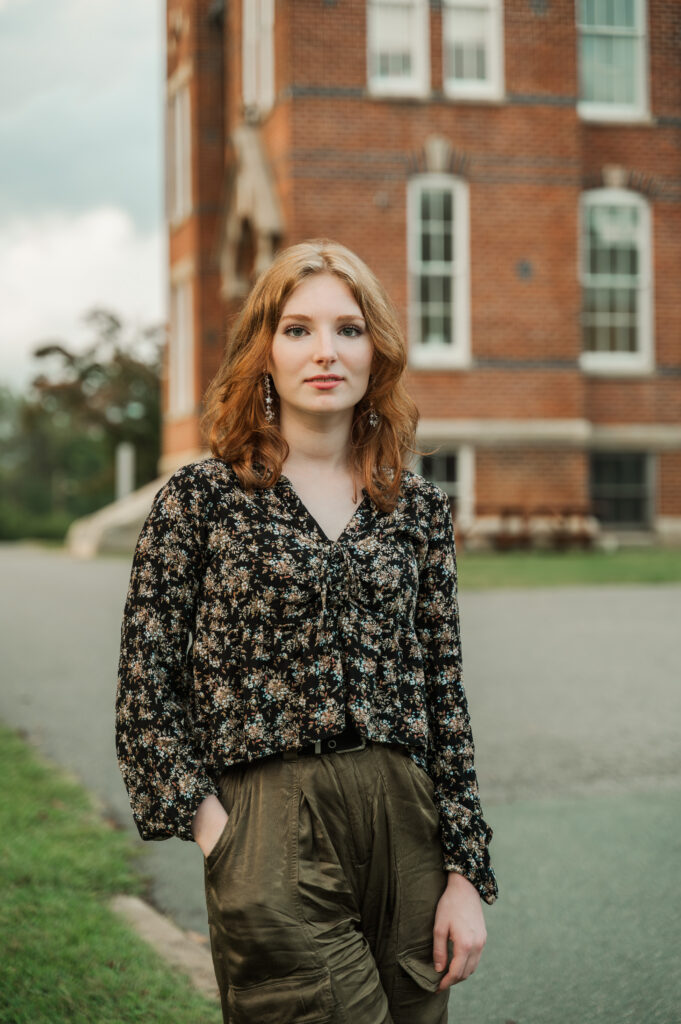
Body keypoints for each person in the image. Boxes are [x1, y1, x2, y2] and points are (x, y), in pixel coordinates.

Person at [115, 238, 497, 1024]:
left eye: (347, 329)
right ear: (264, 349)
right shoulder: (201, 500)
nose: (325, 351)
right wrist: (217, 831)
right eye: (297, 330)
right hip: (269, 825)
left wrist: (463, 872)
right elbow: (145, 685)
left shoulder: (416, 510)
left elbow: (442, 694)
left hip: (406, 825)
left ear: (376, 350)